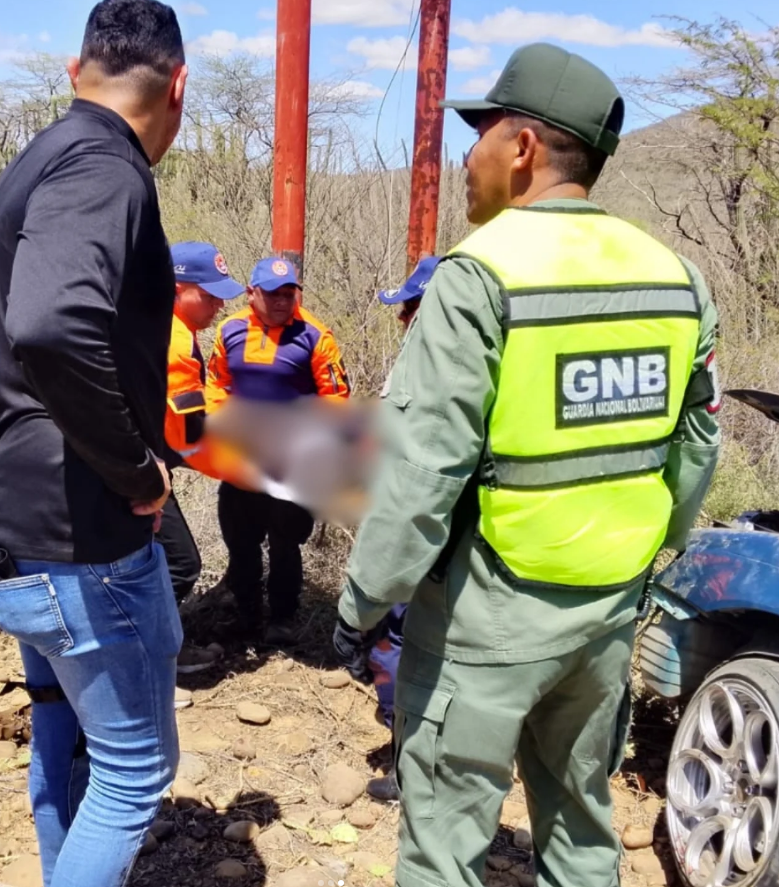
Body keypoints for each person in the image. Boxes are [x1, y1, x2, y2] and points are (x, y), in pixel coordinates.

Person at [334, 43, 721, 887]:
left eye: (478, 135)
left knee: (442, 847)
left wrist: (365, 598)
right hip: (607, 612)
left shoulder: (480, 275)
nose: (466, 156)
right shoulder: (677, 278)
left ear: (521, 146)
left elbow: (422, 468)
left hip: (486, 616)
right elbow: (695, 449)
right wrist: (645, 549)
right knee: (581, 828)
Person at [0, 2, 188, 885]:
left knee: (62, 724)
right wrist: (137, 470)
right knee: (133, 772)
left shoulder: (39, 160)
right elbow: (51, 325)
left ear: (73, 72)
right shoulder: (104, 166)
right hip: (80, 533)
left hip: (15, 523)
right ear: (178, 85)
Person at [336, 256, 441, 803]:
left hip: (416, 533)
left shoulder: (428, 374)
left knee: (393, 639)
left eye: (408, 310)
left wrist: (359, 606)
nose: (401, 321)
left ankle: (409, 763)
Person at [206, 258, 351, 646]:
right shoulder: (230, 330)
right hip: (242, 461)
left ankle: (283, 617)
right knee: (241, 542)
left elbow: (336, 399)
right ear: (251, 293)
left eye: (289, 293)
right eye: (272, 294)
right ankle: (246, 615)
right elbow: (216, 385)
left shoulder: (315, 335)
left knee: (285, 542)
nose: (282, 301)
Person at [160, 241, 248, 673]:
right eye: (208, 294)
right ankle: (157, 658)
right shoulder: (174, 342)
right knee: (179, 565)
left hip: (133, 463)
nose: (218, 304)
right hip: (137, 471)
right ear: (178, 288)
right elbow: (186, 438)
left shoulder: (171, 327)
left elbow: (196, 400)